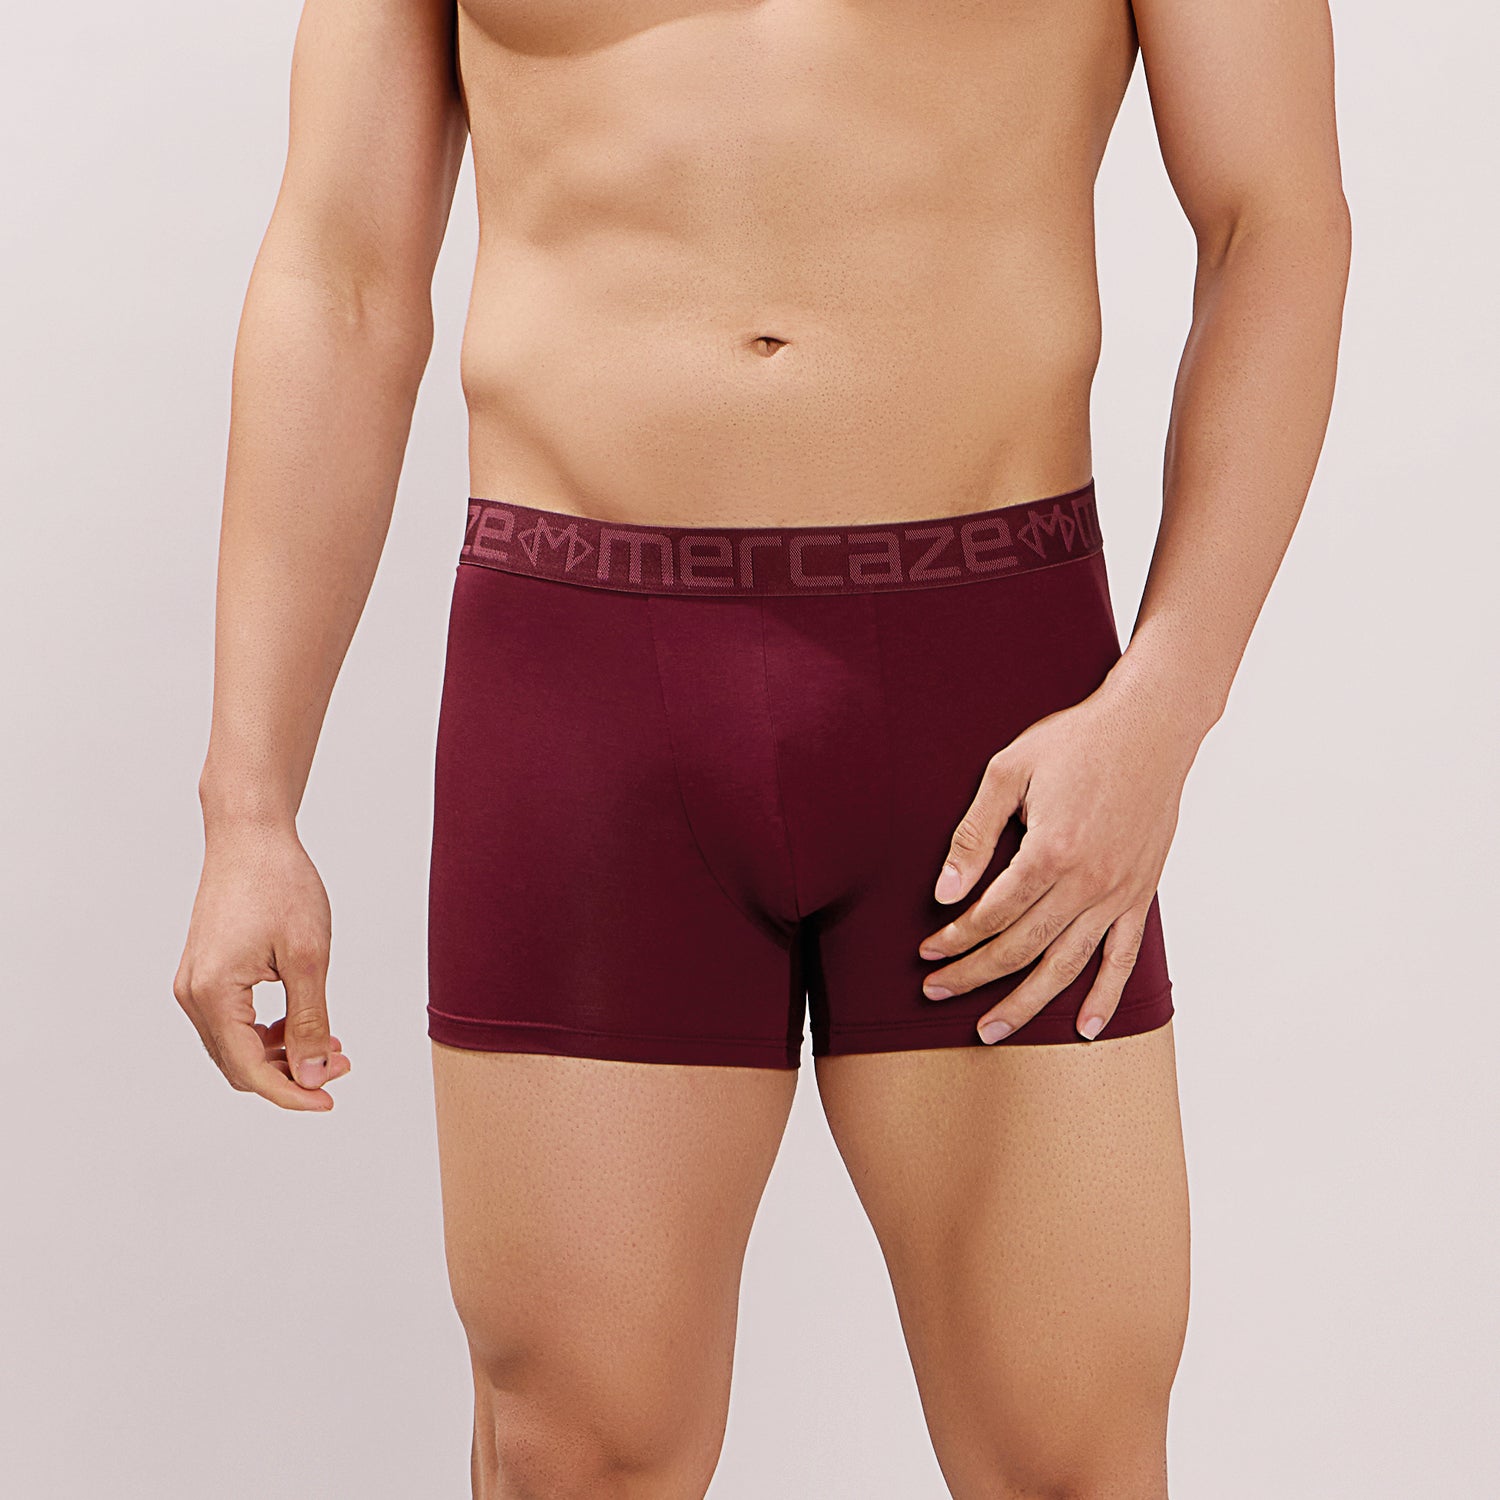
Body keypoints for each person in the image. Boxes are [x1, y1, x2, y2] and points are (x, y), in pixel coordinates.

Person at [173, 1, 1349, 1495]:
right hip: (584, 688)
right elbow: (340, 275)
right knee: (573, 1455)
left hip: (990, 701)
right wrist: (249, 805)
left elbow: (1276, 223)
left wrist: (1167, 704)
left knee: (1069, 1460)